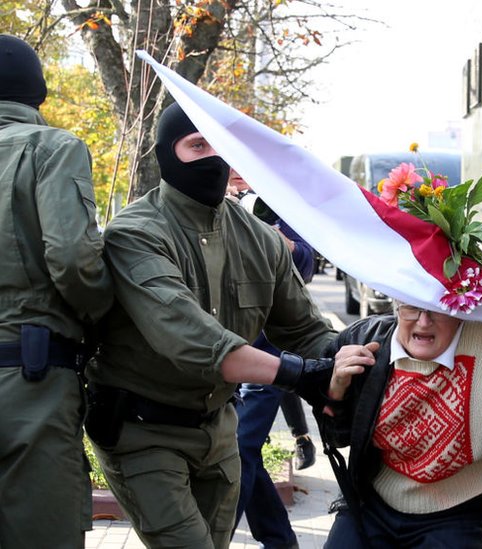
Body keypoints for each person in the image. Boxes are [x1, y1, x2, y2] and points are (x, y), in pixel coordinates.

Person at [85, 102, 338, 548]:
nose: (212, 158)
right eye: (196, 145)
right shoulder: (135, 234)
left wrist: (363, 351)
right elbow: (192, 339)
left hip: (219, 431)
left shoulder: (260, 238)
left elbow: (305, 330)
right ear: (167, 153)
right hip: (142, 430)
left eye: (219, 145)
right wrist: (299, 375)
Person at [319, 263, 482, 549]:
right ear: (396, 303)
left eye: (437, 307)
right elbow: (336, 437)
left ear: (460, 307)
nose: (423, 321)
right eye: (411, 307)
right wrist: (337, 388)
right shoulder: (366, 342)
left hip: (457, 513)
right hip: (373, 501)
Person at [0, 34, 114, 548]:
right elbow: (72, 258)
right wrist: (101, 318)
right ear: (37, 93)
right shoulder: (52, 148)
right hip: (31, 379)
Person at [226, 171, 318, 549]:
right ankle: (280, 540)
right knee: (242, 449)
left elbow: (308, 264)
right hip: (223, 351)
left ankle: (214, 539)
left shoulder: (278, 204)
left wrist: (284, 244)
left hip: (268, 353)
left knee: (240, 448)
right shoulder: (204, 197)